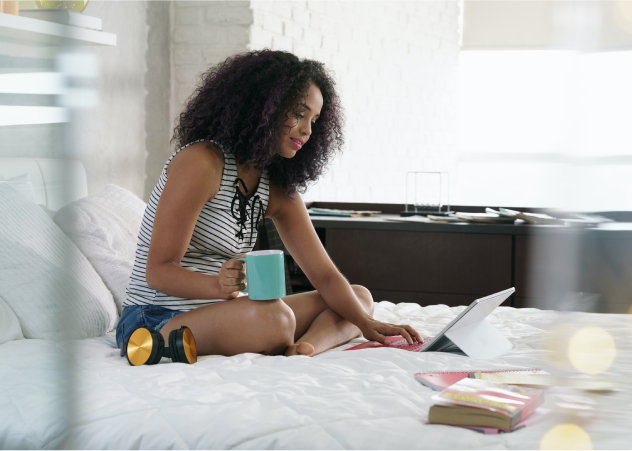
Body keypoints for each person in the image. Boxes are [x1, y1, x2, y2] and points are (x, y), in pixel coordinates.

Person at [116, 50, 421, 357]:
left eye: (314, 120)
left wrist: (367, 323)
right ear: (264, 107)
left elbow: (325, 277)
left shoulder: (274, 187)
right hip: (154, 319)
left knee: (358, 298)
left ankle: (305, 350)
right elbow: (158, 271)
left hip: (224, 313)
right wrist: (218, 287)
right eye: (299, 114)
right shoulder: (201, 162)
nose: (307, 130)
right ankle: (277, 336)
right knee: (275, 318)